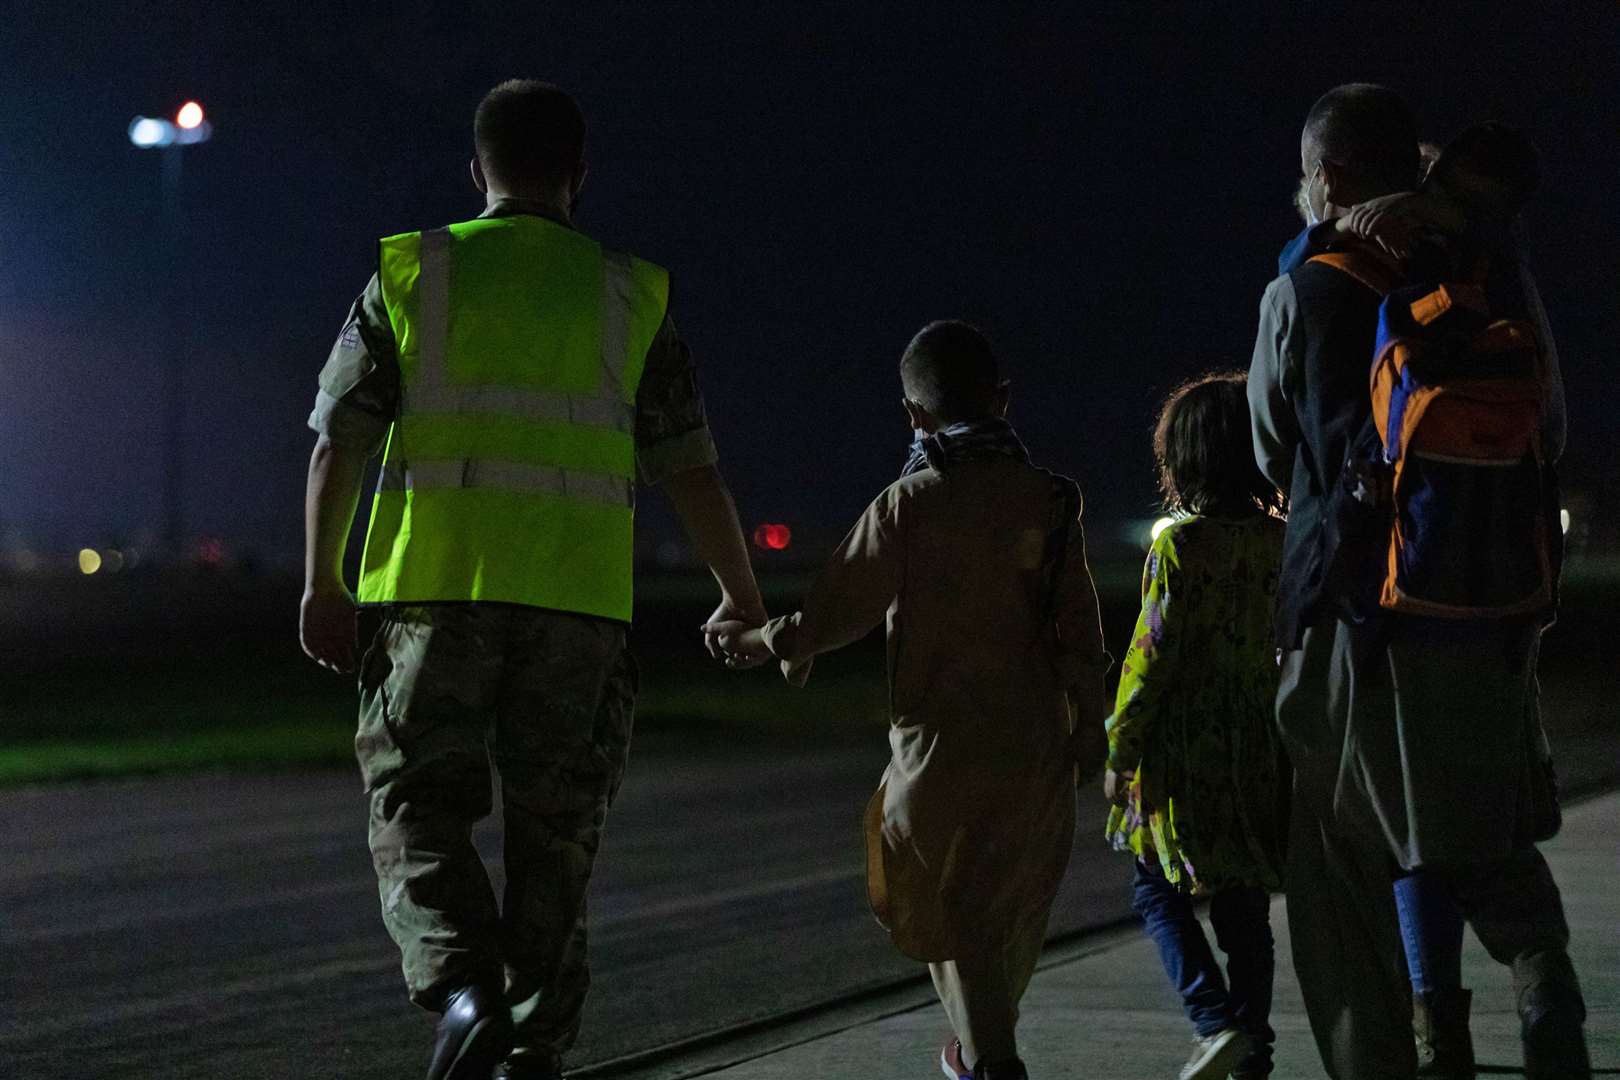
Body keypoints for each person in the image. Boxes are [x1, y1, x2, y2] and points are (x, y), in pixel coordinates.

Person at [298, 80, 767, 1080]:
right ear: (579, 178)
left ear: (477, 171)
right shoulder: (630, 293)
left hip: (431, 592)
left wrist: (323, 583)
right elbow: (690, 464)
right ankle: (532, 1053)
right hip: (581, 607)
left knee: (419, 806)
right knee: (558, 841)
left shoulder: (412, 272)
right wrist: (741, 592)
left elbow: (340, 440)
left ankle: (466, 993)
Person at [1247, 84, 1591, 1079]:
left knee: (1337, 866)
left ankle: (1385, 1060)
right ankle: (1538, 972)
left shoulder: (1305, 286)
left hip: (1352, 622)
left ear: (1333, 172)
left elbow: (1276, 450)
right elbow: (1550, 430)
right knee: (1479, 824)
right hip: (1488, 610)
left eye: (1308, 171)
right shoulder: (1494, 272)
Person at [706, 321, 1110, 1080]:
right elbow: (1079, 629)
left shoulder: (909, 501)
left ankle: (992, 1062)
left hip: (938, 751)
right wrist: (1090, 726)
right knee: (1007, 910)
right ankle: (980, 1052)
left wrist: (758, 640)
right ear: (1004, 399)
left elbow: (834, 612)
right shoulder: (1052, 500)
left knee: (950, 908)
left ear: (914, 416)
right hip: (1034, 746)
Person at [1102, 373, 1288, 1080]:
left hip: (1184, 751)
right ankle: (1255, 1051)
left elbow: (1150, 659)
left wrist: (1120, 748)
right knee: (1245, 907)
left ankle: (1213, 1022)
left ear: (1181, 461)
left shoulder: (1179, 548)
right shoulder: (1281, 541)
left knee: (1155, 887)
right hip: (1257, 744)